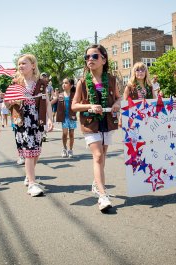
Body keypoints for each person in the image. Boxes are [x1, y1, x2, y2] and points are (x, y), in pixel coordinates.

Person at [72, 44, 121, 212]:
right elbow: (74, 105)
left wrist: (115, 104)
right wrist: (89, 106)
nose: (90, 60)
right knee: (98, 156)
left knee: (103, 156)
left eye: (94, 56)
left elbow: (119, 99)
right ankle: (102, 195)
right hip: (90, 123)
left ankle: (96, 184)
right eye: (87, 57)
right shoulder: (82, 82)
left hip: (107, 122)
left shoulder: (112, 80)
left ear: (104, 59)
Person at [13, 53, 53, 196]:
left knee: (36, 151)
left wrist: (50, 119)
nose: (21, 66)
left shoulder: (41, 84)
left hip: (37, 118)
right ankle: (32, 183)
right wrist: (13, 100)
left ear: (33, 65)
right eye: (19, 64)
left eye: (24, 63)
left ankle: (28, 176)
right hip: (23, 120)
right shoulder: (16, 83)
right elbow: (8, 102)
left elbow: (47, 102)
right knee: (29, 151)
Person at [52, 78, 77, 158]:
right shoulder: (60, 95)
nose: (63, 84)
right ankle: (64, 149)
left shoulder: (75, 95)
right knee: (65, 133)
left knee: (72, 134)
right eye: (63, 83)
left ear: (71, 85)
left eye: (66, 83)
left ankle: (70, 150)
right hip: (64, 118)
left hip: (72, 117)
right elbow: (52, 102)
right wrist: (46, 104)